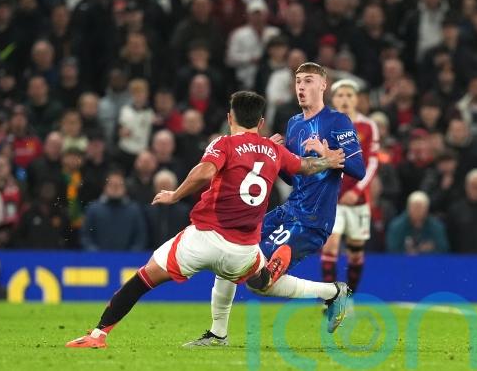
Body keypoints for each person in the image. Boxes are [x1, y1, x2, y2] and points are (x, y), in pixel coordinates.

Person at [66, 91, 350, 348]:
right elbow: (306, 166)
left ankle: (98, 335)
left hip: (204, 238)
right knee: (259, 283)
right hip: (243, 250)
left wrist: (175, 195)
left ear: (230, 118)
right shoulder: (274, 150)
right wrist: (329, 161)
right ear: (261, 122)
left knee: (144, 278)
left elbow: (204, 172)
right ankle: (326, 291)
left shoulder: (224, 143)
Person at [187, 62, 366, 347]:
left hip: (312, 219)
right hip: (288, 210)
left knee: (258, 280)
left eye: (308, 81)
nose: (301, 87)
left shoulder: (338, 121)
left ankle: (333, 292)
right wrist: (275, 155)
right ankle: (217, 334)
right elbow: (292, 176)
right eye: (298, 81)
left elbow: (359, 169)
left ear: (323, 85)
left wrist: (328, 153)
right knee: (231, 256)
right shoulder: (294, 123)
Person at [320, 79, 379, 303]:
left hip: (358, 200)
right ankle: (331, 299)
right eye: (340, 95)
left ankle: (349, 298)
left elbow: (373, 162)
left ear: (357, 100)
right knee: (331, 245)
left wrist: (358, 189)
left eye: (349, 95)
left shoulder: (368, 126)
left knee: (356, 252)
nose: (345, 99)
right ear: (333, 99)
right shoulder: (325, 124)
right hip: (332, 197)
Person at [80, 170, 148, 251]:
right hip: (98, 258)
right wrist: (96, 254)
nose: (115, 188)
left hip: (128, 258)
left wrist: (131, 255)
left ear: (125, 188)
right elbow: (86, 236)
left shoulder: (134, 210)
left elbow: (140, 238)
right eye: (111, 185)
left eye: (119, 185)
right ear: (105, 187)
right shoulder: (93, 209)